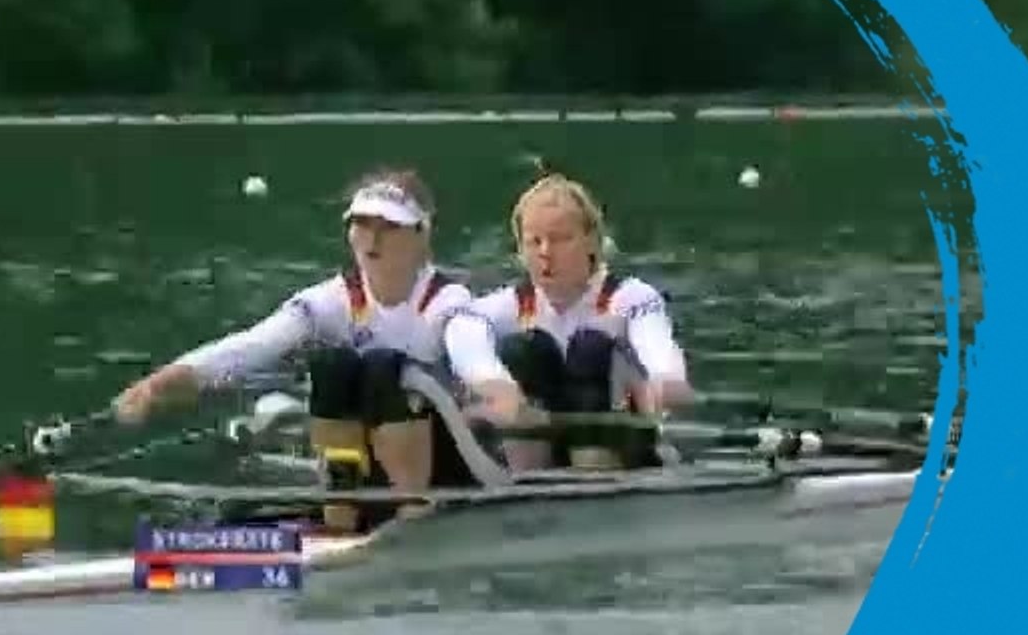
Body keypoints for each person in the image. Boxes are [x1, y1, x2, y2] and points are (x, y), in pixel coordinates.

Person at [111, 167, 478, 531]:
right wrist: (159, 385)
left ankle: (414, 509)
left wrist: (496, 390)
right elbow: (251, 347)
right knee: (333, 364)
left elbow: (476, 359)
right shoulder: (328, 301)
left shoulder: (449, 302)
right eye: (362, 224)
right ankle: (341, 511)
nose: (372, 240)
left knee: (384, 366)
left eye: (389, 226)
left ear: (422, 235)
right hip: (370, 463)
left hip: (446, 466)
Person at [444, 166, 694, 471]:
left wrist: (666, 378)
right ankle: (529, 482)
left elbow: (655, 343)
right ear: (520, 248)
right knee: (525, 348)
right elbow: (463, 331)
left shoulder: (632, 298)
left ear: (591, 242)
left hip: (623, 444)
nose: (546, 252)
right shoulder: (508, 305)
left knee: (589, 346)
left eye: (561, 239)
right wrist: (493, 382)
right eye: (535, 242)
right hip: (538, 440)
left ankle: (595, 476)